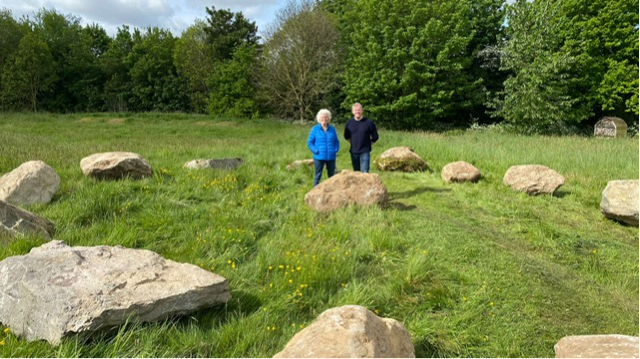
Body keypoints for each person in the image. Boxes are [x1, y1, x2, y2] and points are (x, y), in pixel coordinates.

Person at [307, 109, 340, 186]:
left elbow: (336, 141)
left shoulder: (332, 129)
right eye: (322, 117)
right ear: (319, 119)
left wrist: (335, 150)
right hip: (319, 157)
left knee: (331, 176)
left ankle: (331, 191)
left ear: (329, 118)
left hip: (331, 157)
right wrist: (315, 150)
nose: (324, 119)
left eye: (326, 117)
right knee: (318, 175)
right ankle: (314, 192)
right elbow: (310, 142)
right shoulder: (314, 129)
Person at [344, 103, 379, 173]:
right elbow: (346, 136)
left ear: (362, 111)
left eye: (359, 110)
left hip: (365, 151)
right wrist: (353, 143)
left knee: (365, 172)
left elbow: (375, 136)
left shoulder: (369, 122)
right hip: (354, 151)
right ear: (352, 111)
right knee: (356, 172)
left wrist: (368, 144)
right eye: (355, 110)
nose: (357, 112)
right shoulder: (349, 123)